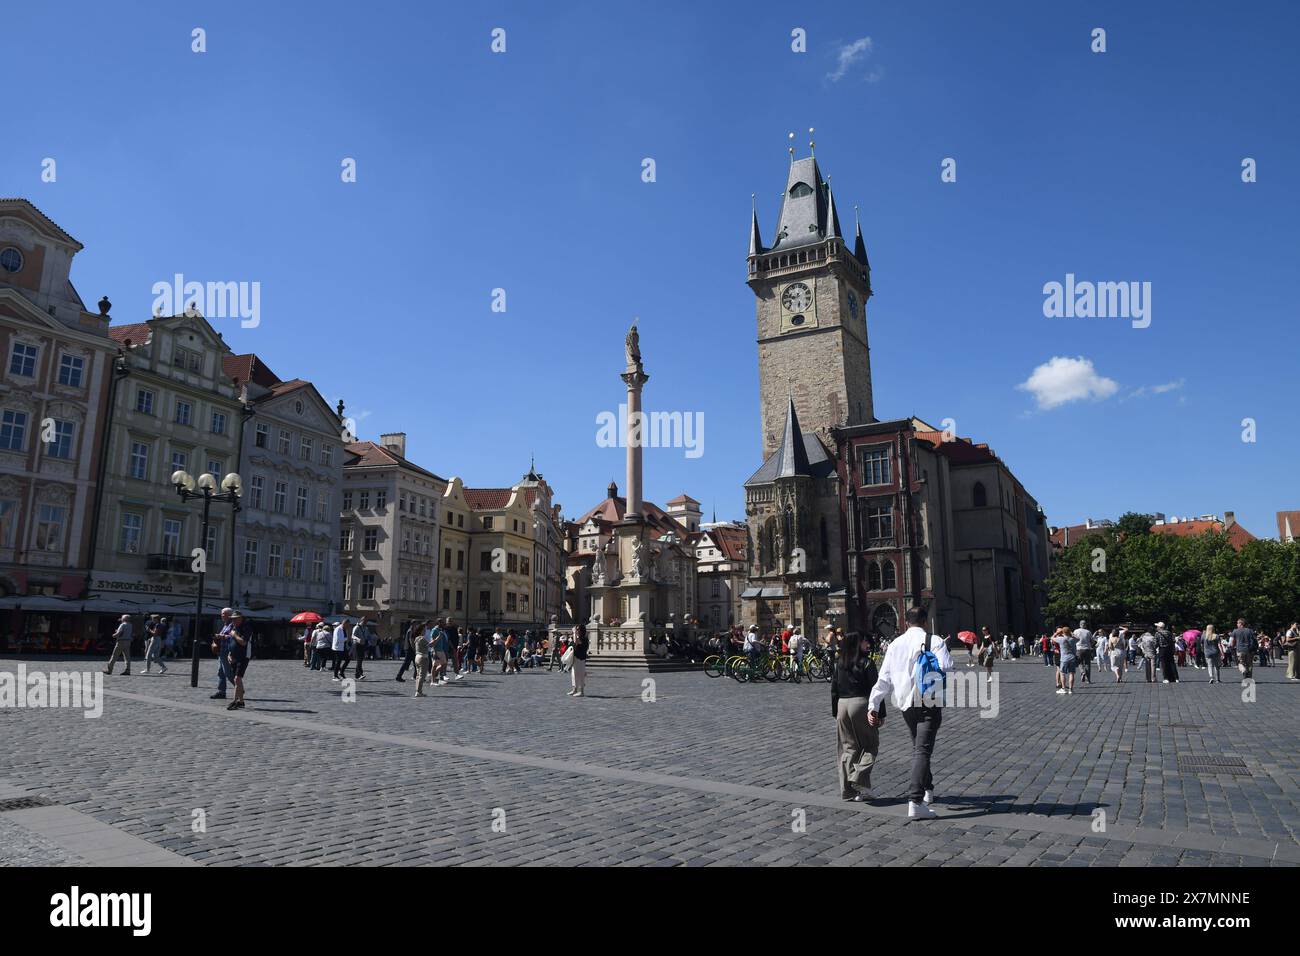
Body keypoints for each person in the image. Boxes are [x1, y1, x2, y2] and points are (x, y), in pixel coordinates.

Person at [867, 607, 950, 820]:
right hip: (928, 701)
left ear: (906, 623)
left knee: (919, 747)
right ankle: (915, 801)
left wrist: (873, 704)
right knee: (922, 750)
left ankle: (928, 789)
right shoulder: (935, 640)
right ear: (924, 621)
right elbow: (947, 666)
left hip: (905, 704)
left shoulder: (895, 644)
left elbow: (883, 678)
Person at [833, 632, 882, 801]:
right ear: (856, 644)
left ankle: (849, 790)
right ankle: (859, 777)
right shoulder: (866, 662)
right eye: (864, 641)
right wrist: (879, 713)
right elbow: (876, 690)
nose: (867, 644)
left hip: (842, 705)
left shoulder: (840, 662)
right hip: (861, 704)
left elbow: (834, 689)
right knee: (871, 744)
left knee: (848, 748)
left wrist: (836, 712)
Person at [225, 611, 250, 710]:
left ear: (241, 618)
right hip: (234, 656)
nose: (233, 620)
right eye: (232, 618)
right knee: (238, 679)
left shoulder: (246, 628)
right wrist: (229, 654)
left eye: (235, 618)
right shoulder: (235, 627)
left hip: (244, 656)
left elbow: (243, 642)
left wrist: (234, 634)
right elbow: (232, 642)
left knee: (237, 679)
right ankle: (241, 702)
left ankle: (235, 701)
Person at [1053, 626, 1078, 695]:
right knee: (1071, 673)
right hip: (1072, 658)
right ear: (1069, 631)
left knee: (1062, 673)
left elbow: (1052, 638)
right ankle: (1071, 689)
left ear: (1063, 632)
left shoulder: (1061, 639)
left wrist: (1056, 633)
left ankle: (1063, 688)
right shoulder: (1072, 639)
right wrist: (1072, 633)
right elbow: (1078, 639)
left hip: (1064, 658)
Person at [567, 623, 589, 697]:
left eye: (578, 629)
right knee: (574, 674)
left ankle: (581, 691)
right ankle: (574, 689)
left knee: (580, 674)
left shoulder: (584, 638)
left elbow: (576, 642)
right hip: (576, 658)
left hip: (581, 658)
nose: (577, 630)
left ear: (581, 630)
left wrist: (574, 632)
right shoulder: (579, 637)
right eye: (577, 629)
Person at [412, 624, 432, 697]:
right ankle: (418, 692)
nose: (425, 631)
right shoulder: (422, 638)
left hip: (417, 657)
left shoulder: (416, 638)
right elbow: (431, 645)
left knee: (418, 676)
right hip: (423, 658)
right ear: (421, 631)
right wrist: (437, 638)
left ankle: (418, 691)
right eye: (424, 630)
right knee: (422, 676)